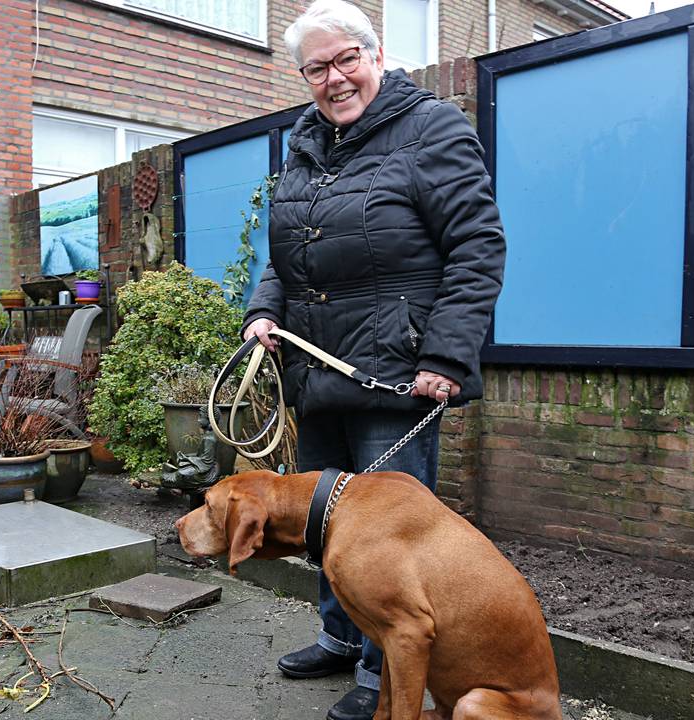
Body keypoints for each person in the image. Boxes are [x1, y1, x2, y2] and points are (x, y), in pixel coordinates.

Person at [241, 1, 506, 718]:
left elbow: (477, 249)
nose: (334, 79)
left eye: (346, 60)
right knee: (327, 525)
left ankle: (381, 671)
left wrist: (449, 354)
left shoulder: (434, 130)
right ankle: (337, 635)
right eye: (317, 68)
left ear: (376, 55)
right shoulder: (304, 144)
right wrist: (264, 311)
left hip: (397, 373)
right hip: (319, 372)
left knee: (385, 535)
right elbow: (284, 259)